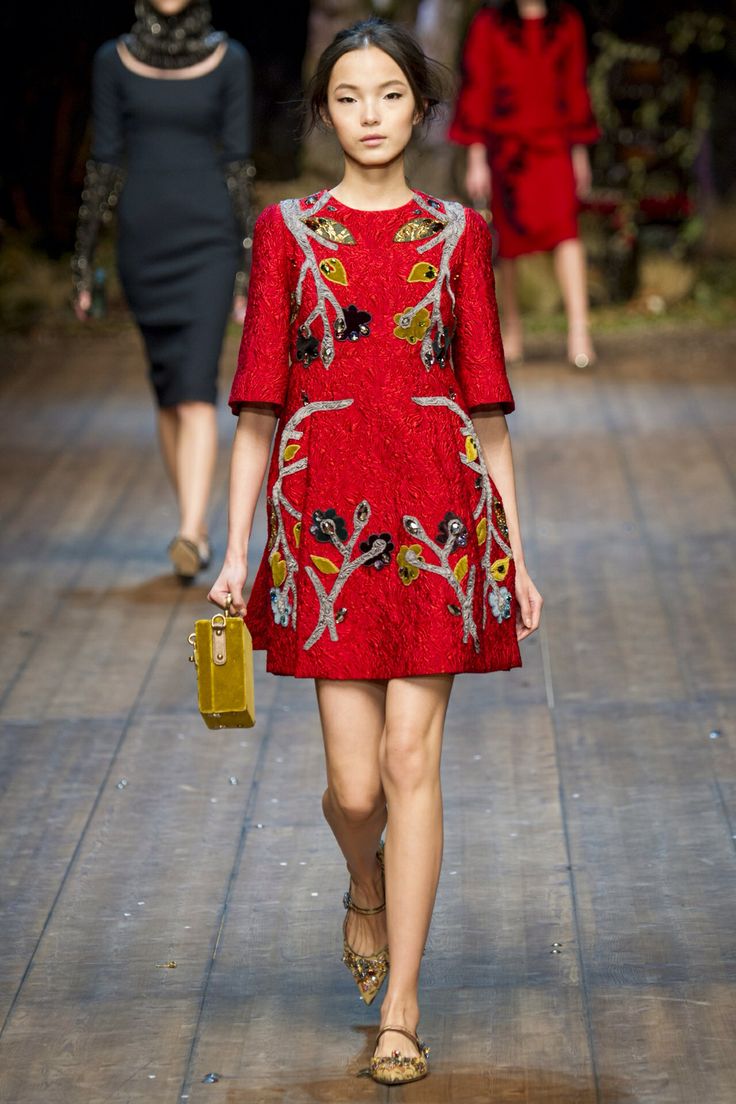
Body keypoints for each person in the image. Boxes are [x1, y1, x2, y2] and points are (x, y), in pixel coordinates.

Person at [208, 17, 542, 1086]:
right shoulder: (286, 232)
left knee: (410, 763)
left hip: (440, 518)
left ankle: (402, 1007)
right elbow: (257, 407)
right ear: (323, 111)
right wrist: (233, 551)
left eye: (390, 94)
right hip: (326, 527)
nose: (370, 115)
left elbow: (487, 407)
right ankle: (365, 884)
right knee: (355, 793)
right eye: (348, 96)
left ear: (420, 106)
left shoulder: (459, 233)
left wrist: (516, 554)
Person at [72, 0, 254, 581]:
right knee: (168, 389)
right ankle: (191, 526)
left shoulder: (230, 60)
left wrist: (247, 263)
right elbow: (103, 163)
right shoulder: (113, 60)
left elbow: (238, 164)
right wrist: (83, 261)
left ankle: (192, 531)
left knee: (197, 387)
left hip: (209, 241)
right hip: (143, 241)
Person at [450, 0, 600, 368]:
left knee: (568, 232)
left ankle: (579, 331)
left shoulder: (566, 22)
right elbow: (478, 86)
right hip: (507, 151)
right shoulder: (489, 23)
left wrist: (580, 154)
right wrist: (476, 158)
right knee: (509, 245)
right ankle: (512, 331)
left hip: (555, 147)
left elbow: (575, 85)